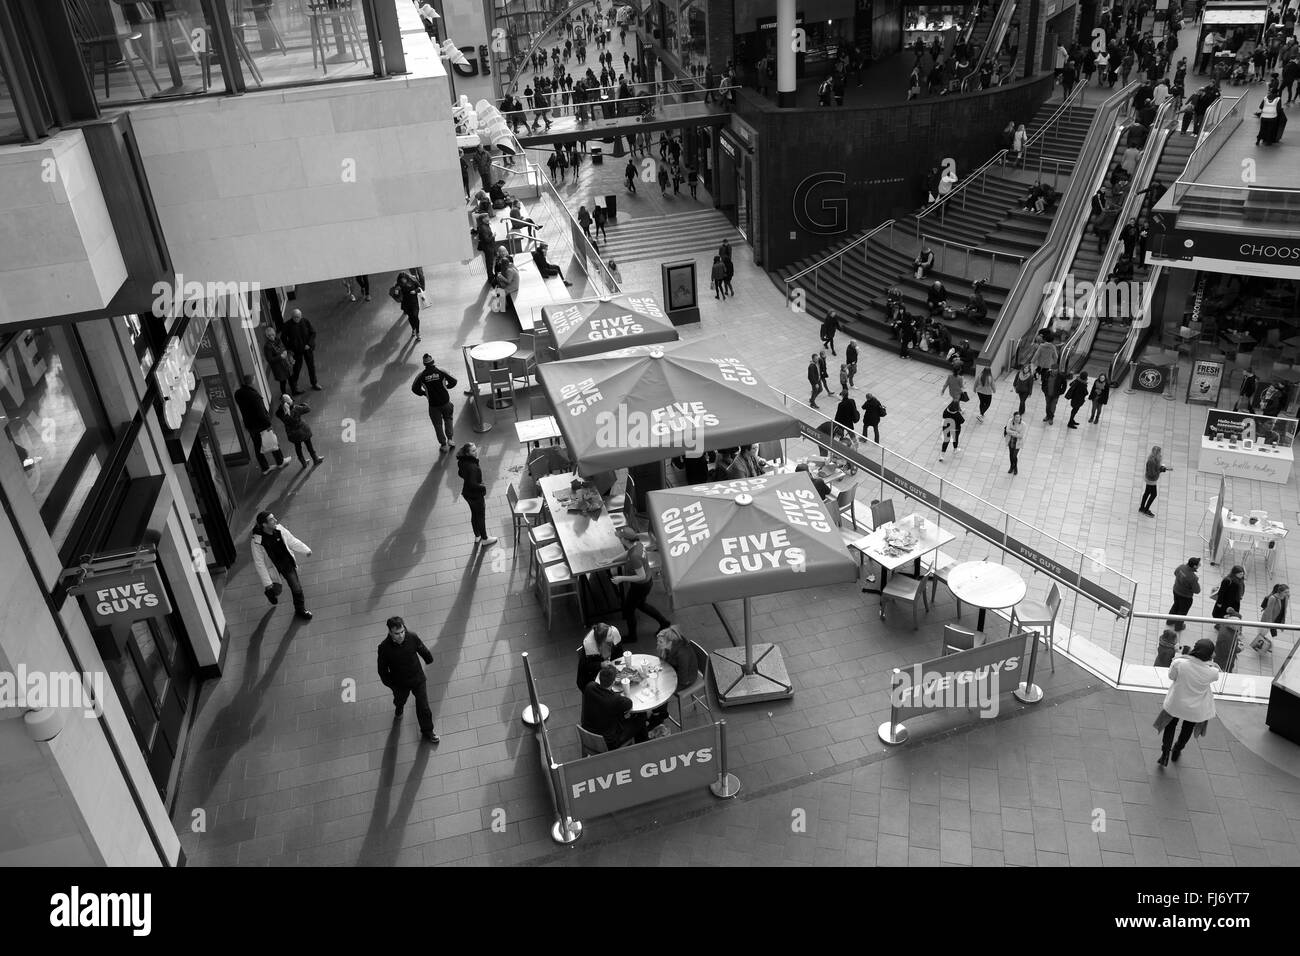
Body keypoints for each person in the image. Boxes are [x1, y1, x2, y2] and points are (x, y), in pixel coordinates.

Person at [1153, 638, 1219, 767]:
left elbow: (1171, 676)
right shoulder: (1212, 672)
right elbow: (1213, 671)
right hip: (1195, 708)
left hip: (1176, 703)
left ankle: (1165, 753)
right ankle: (1177, 749)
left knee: (1170, 727)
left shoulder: (1180, 663)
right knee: (1187, 729)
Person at [377, 616, 440, 744]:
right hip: (400, 683)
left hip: (417, 678)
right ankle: (399, 708)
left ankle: (427, 731)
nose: (401, 635)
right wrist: (392, 685)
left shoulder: (411, 636)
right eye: (397, 633)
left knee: (424, 706)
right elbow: (382, 671)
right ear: (390, 632)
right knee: (400, 700)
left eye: (402, 632)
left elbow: (421, 647)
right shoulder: (384, 648)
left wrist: (428, 658)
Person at [611, 525, 671, 643]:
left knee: (628, 610)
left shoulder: (635, 556)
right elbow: (628, 553)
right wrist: (612, 560)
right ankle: (664, 622)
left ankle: (632, 636)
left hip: (640, 585)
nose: (620, 539)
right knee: (641, 605)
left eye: (621, 538)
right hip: (646, 582)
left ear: (625, 540)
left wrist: (621, 578)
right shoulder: (637, 545)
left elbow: (641, 576)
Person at [250, 510, 313, 620]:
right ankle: (270, 592)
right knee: (277, 590)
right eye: (271, 519)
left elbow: (292, 541)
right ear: (264, 524)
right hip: (273, 569)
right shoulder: (257, 542)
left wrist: (305, 550)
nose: (275, 520)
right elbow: (259, 563)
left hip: (287, 564)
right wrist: (267, 583)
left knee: (296, 588)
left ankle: (300, 609)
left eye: (274, 518)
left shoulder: (279, 530)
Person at [581, 663, 648, 749]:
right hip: (609, 742)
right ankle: (643, 747)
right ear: (613, 682)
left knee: (621, 716)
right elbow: (629, 703)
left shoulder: (589, 687)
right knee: (641, 717)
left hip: (588, 732)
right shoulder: (615, 700)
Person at [647, 625, 698, 729]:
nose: (658, 644)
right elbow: (664, 661)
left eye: (660, 642)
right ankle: (660, 712)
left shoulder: (682, 654)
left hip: (686, 679)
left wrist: (666, 679)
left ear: (670, 642)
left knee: (659, 690)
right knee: (655, 683)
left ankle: (658, 715)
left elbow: (683, 680)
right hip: (675, 671)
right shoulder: (670, 647)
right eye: (658, 641)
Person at [234, 375, 287, 474]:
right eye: (253, 380)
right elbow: (260, 412)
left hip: (250, 425)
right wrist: (268, 423)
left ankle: (265, 468)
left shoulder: (238, 394)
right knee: (272, 440)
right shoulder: (254, 395)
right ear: (251, 382)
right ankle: (280, 461)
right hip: (261, 424)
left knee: (257, 446)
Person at [411, 354, 457, 452]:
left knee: (437, 425)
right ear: (433, 361)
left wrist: (424, 393)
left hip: (433, 405)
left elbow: (414, 388)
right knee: (448, 419)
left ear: (424, 364)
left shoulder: (421, 375)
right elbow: (454, 381)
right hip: (446, 402)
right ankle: (450, 439)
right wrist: (446, 387)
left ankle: (443, 445)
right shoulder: (441, 371)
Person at [455, 443, 497, 548]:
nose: (476, 451)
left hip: (467, 494)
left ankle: (477, 536)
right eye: (473, 451)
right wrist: (482, 487)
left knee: (474, 514)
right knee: (480, 516)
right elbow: (473, 484)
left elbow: (460, 474)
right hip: (475, 495)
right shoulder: (472, 466)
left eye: (475, 449)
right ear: (467, 453)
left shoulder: (462, 461)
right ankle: (485, 539)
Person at [277, 394, 323, 466]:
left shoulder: (280, 413)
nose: (292, 400)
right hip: (303, 431)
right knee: (309, 445)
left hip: (292, 433)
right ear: (288, 402)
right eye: (290, 399)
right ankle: (315, 459)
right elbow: (308, 408)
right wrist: (302, 404)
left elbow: (286, 418)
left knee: (298, 447)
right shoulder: (296, 408)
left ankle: (303, 462)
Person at [575, 621, 623, 690]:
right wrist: (600, 664)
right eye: (610, 635)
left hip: (608, 673)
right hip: (590, 680)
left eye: (611, 632)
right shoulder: (590, 647)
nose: (613, 636)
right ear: (602, 640)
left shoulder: (613, 633)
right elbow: (586, 666)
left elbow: (619, 653)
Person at [282, 309, 321, 392]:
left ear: (301, 316)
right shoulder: (287, 325)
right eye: (295, 317)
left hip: (307, 349)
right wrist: (290, 348)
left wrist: (309, 344)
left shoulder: (305, 321)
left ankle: (314, 383)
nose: (296, 319)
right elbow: (283, 338)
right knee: (297, 368)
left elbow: (313, 333)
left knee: (311, 366)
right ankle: (294, 385)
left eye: (298, 317)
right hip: (296, 351)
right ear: (291, 317)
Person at [1168, 556, 1202, 631]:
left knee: (1175, 606)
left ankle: (1169, 621)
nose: (1199, 566)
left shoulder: (1181, 567)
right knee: (1182, 612)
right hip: (1185, 597)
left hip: (1176, 590)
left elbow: (1175, 573)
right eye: (1199, 565)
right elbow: (1197, 590)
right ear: (1194, 566)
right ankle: (1178, 627)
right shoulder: (1193, 577)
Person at [262, 327, 296, 398]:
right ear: (267, 336)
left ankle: (294, 391)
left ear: (274, 334)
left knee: (291, 378)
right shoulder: (267, 346)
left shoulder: (278, 340)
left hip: (285, 363)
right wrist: (280, 357)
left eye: (272, 334)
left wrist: (288, 355)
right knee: (283, 381)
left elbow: (283, 348)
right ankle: (284, 396)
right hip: (278, 367)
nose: (272, 337)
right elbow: (270, 359)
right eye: (269, 336)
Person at [1138, 444, 1171, 516]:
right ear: (1157, 453)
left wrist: (1161, 468)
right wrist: (1161, 470)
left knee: (1147, 493)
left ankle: (1142, 508)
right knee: (1153, 494)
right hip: (1151, 480)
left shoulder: (1154, 459)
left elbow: (1155, 469)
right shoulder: (1152, 461)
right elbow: (1152, 473)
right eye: (1159, 453)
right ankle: (1146, 510)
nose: (1160, 454)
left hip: (1150, 479)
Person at [392, 270, 423, 343]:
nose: (403, 281)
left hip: (414, 302)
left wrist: (415, 291)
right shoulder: (398, 285)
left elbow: (419, 288)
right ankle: (413, 329)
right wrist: (397, 290)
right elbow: (396, 296)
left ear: (407, 277)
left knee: (415, 317)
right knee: (411, 317)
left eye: (404, 279)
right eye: (401, 280)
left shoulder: (413, 280)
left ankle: (418, 332)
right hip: (406, 304)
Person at [1004, 411, 1025, 475]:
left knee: (1014, 456)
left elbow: (1021, 436)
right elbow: (1007, 430)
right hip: (1010, 440)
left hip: (1018, 442)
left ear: (1020, 417)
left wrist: (1012, 432)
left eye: (1018, 417)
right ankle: (1011, 467)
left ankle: (1015, 468)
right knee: (1011, 454)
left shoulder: (1023, 425)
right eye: (1016, 417)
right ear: (1014, 417)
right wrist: (1016, 433)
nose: (1017, 418)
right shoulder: (1010, 421)